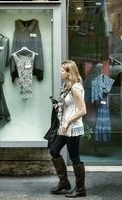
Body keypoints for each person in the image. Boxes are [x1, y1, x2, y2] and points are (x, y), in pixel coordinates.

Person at [49, 60, 87, 197]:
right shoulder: (67, 86)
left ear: (69, 72)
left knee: (74, 157)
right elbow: (69, 106)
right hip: (64, 126)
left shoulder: (76, 89)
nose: (60, 72)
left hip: (72, 127)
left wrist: (67, 122)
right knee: (54, 150)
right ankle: (64, 182)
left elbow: (83, 110)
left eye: (62, 70)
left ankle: (81, 189)